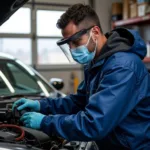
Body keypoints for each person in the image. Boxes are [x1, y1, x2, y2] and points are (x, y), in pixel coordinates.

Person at [12, 3, 150, 150]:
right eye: (68, 44)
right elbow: (79, 102)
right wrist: (41, 105)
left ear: (95, 32)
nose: (72, 49)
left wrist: (45, 122)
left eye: (76, 41)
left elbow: (94, 123)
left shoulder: (122, 67)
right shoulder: (97, 63)